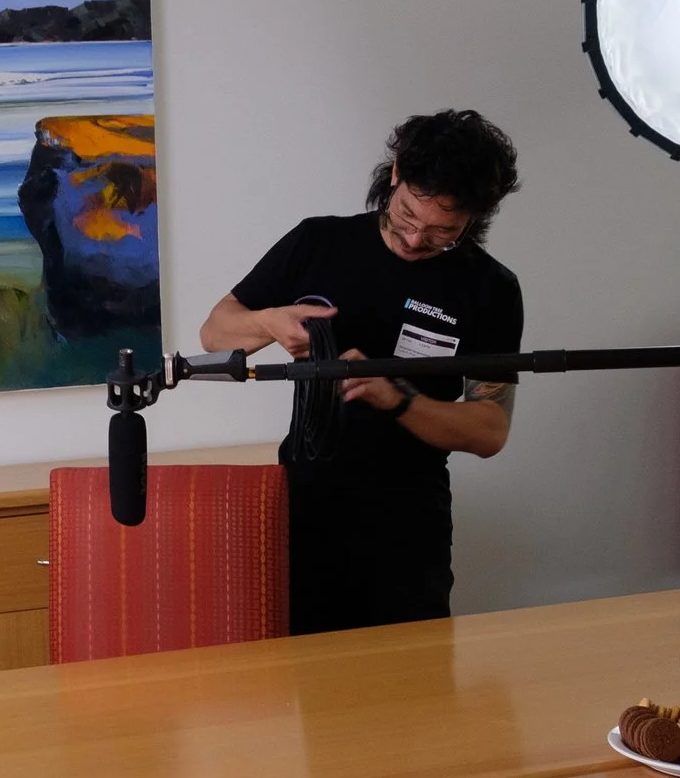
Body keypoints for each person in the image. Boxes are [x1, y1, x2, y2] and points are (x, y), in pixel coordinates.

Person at [202, 109, 524, 633]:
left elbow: (490, 430)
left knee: (414, 689)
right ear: (395, 173)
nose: (416, 240)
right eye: (406, 216)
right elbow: (215, 332)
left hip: (408, 522)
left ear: (476, 217)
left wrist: (395, 396)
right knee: (316, 688)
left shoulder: (489, 288)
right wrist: (268, 322)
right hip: (308, 506)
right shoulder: (318, 243)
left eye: (443, 232)